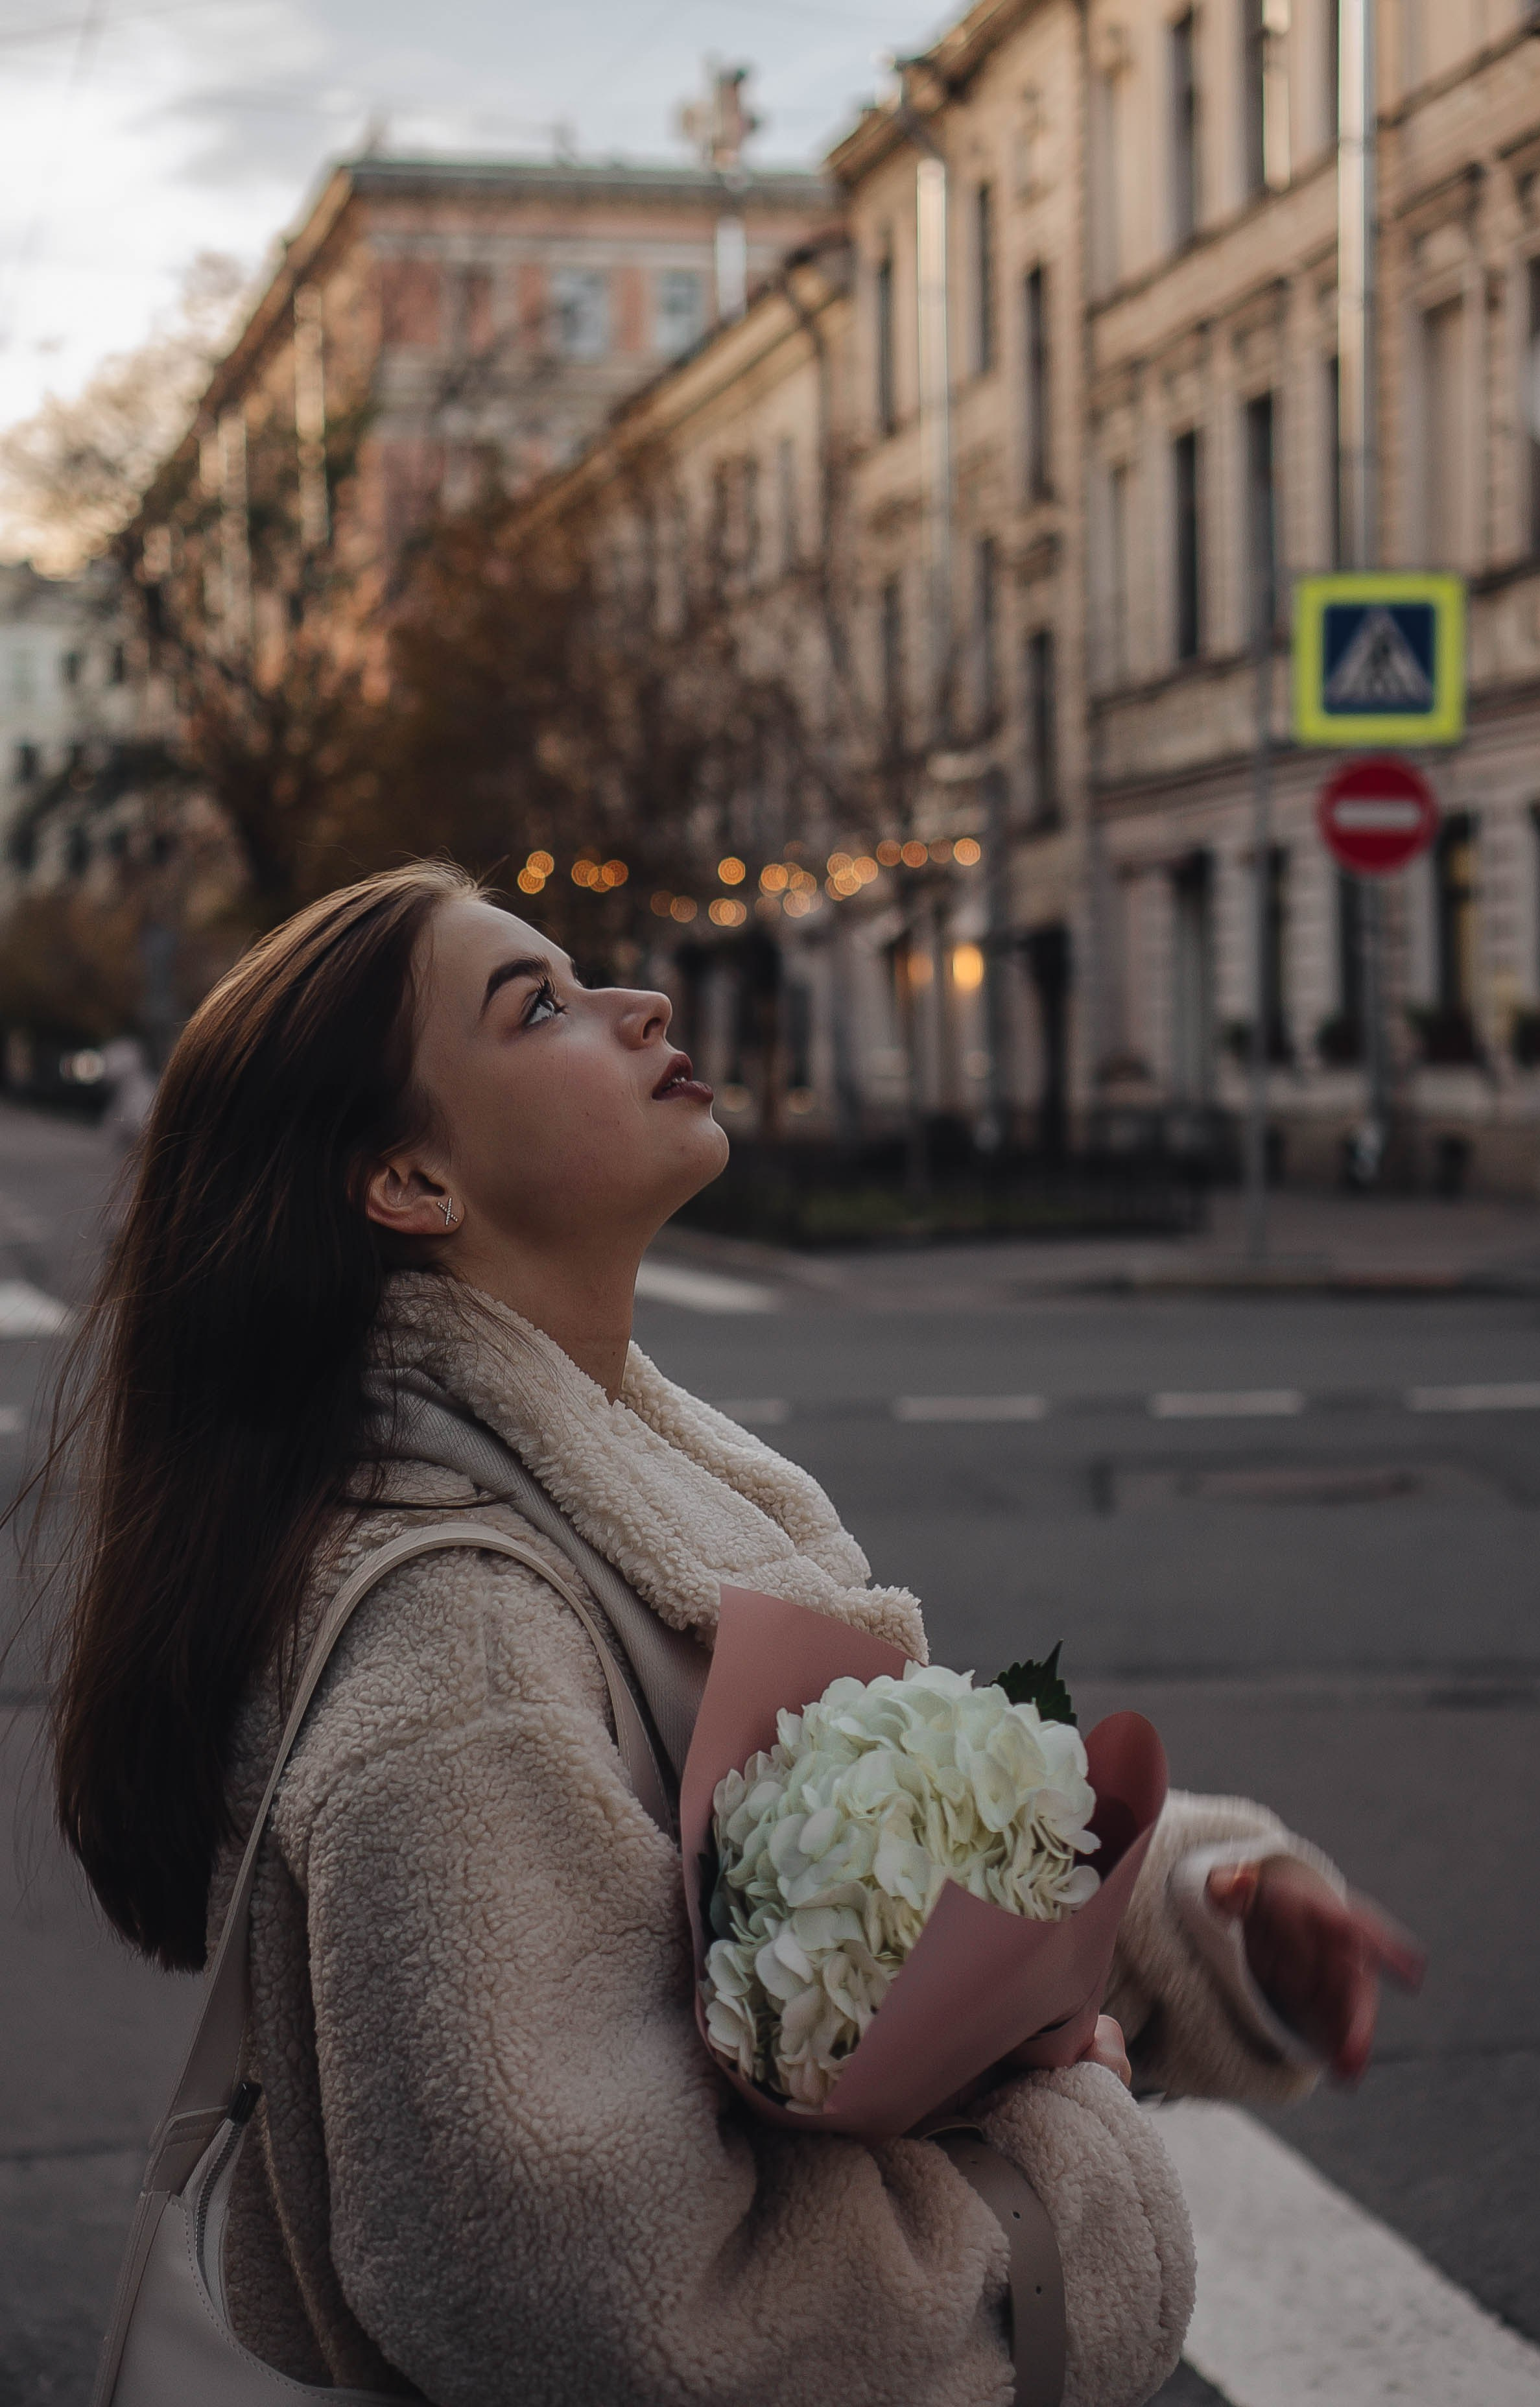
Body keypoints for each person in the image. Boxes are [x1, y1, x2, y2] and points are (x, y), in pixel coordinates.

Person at [51, 864, 1420, 2407]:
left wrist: (1188, 1912)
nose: (640, 1004)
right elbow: (602, 2294)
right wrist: (1059, 2185)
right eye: (539, 1007)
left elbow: (856, 1899)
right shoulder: (465, 1653)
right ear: (411, 1181)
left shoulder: (604, 1483)